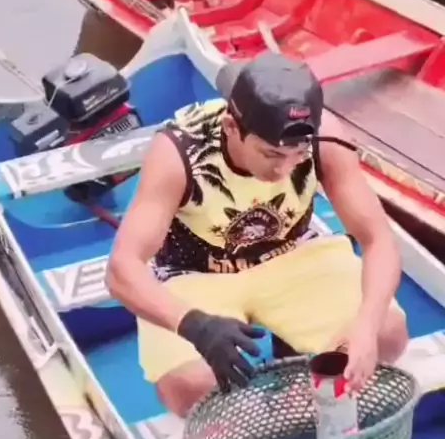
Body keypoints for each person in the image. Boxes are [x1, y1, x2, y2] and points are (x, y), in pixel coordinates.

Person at [106, 52, 408, 417]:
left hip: (291, 253)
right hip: (197, 274)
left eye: (298, 154)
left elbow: (378, 239)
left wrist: (366, 328)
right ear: (231, 127)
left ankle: (298, 370)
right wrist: (195, 326)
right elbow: (122, 269)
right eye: (271, 154)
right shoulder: (178, 151)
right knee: (192, 388)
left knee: (387, 332)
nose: (285, 169)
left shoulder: (324, 137)